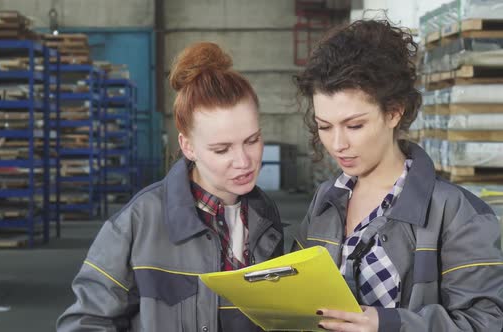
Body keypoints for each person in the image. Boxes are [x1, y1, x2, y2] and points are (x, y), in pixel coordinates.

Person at [57, 42, 283, 332]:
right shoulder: (139, 222)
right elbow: (84, 323)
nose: (243, 161)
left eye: (252, 141)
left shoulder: (264, 216)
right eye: (221, 149)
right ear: (187, 146)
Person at [294, 20, 503, 331]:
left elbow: (486, 322)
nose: (337, 144)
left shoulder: (459, 214)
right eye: (325, 127)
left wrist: (389, 324)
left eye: (354, 126)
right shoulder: (326, 199)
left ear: (394, 112)